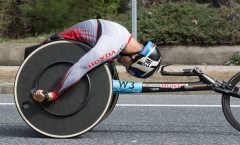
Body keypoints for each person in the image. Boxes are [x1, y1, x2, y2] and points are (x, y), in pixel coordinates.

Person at [32, 19, 162, 102]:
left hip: (73, 46)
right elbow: (80, 68)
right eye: (132, 68)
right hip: (55, 49)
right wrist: (54, 94)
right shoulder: (112, 45)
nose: (127, 70)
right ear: (136, 58)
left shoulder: (124, 37)